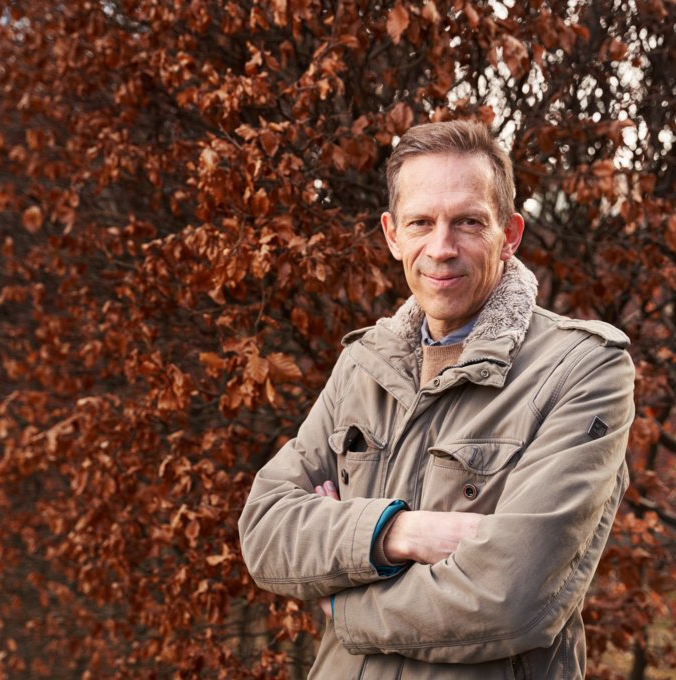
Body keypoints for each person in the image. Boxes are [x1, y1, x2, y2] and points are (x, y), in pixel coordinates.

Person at [238, 120, 635, 679]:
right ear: (392, 234)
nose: (441, 248)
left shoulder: (582, 368)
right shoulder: (363, 364)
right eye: (421, 222)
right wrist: (397, 532)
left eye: (469, 222)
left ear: (511, 233)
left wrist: (338, 598)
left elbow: (509, 598)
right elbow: (265, 531)